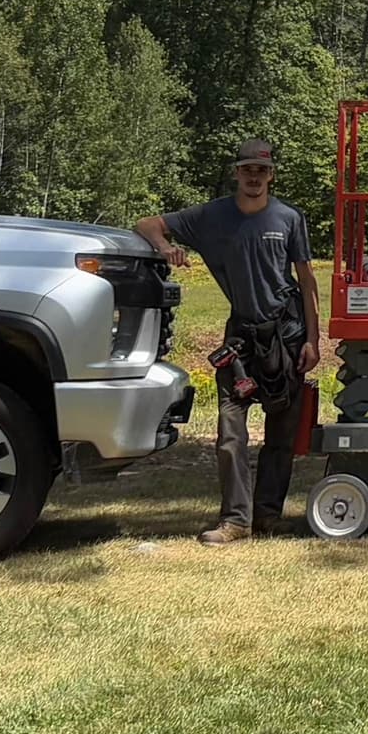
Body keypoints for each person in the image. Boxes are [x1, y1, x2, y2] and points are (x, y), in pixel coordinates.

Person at [136, 138, 320, 544]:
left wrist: (313, 340)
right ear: (236, 173)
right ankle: (235, 520)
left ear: (271, 175)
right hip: (240, 337)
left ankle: (267, 516)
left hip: (285, 333)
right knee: (230, 431)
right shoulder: (211, 216)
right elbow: (148, 225)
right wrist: (167, 248)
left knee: (281, 433)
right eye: (247, 169)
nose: (254, 177)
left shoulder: (289, 218)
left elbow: (306, 281)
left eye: (262, 170)